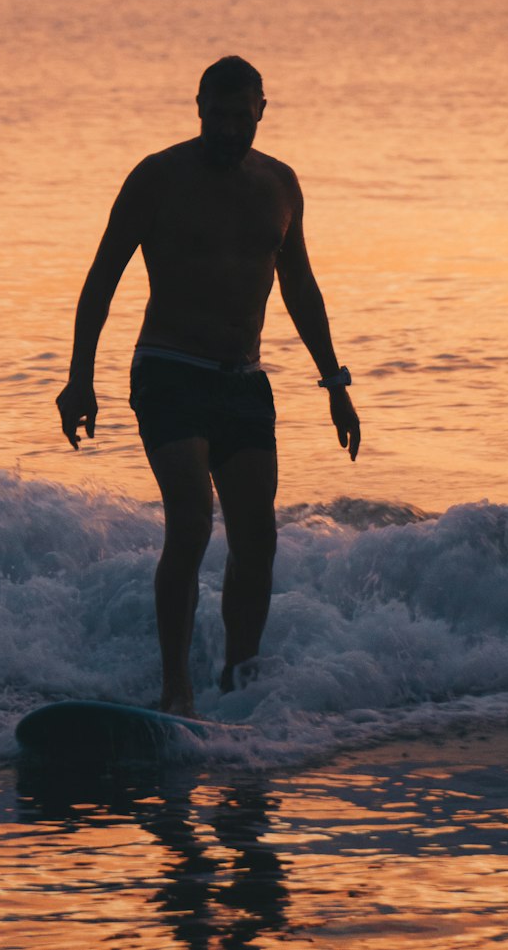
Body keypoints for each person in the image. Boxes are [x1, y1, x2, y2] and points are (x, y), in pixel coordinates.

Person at [56, 55, 361, 716]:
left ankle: (239, 681)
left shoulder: (280, 184)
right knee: (192, 520)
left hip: (243, 381)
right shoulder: (156, 179)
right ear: (198, 107)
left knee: (258, 536)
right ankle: (177, 691)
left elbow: (300, 286)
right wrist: (80, 377)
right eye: (214, 114)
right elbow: (101, 277)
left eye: (238, 115)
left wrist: (334, 381)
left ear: (261, 109)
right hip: (169, 370)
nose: (226, 127)